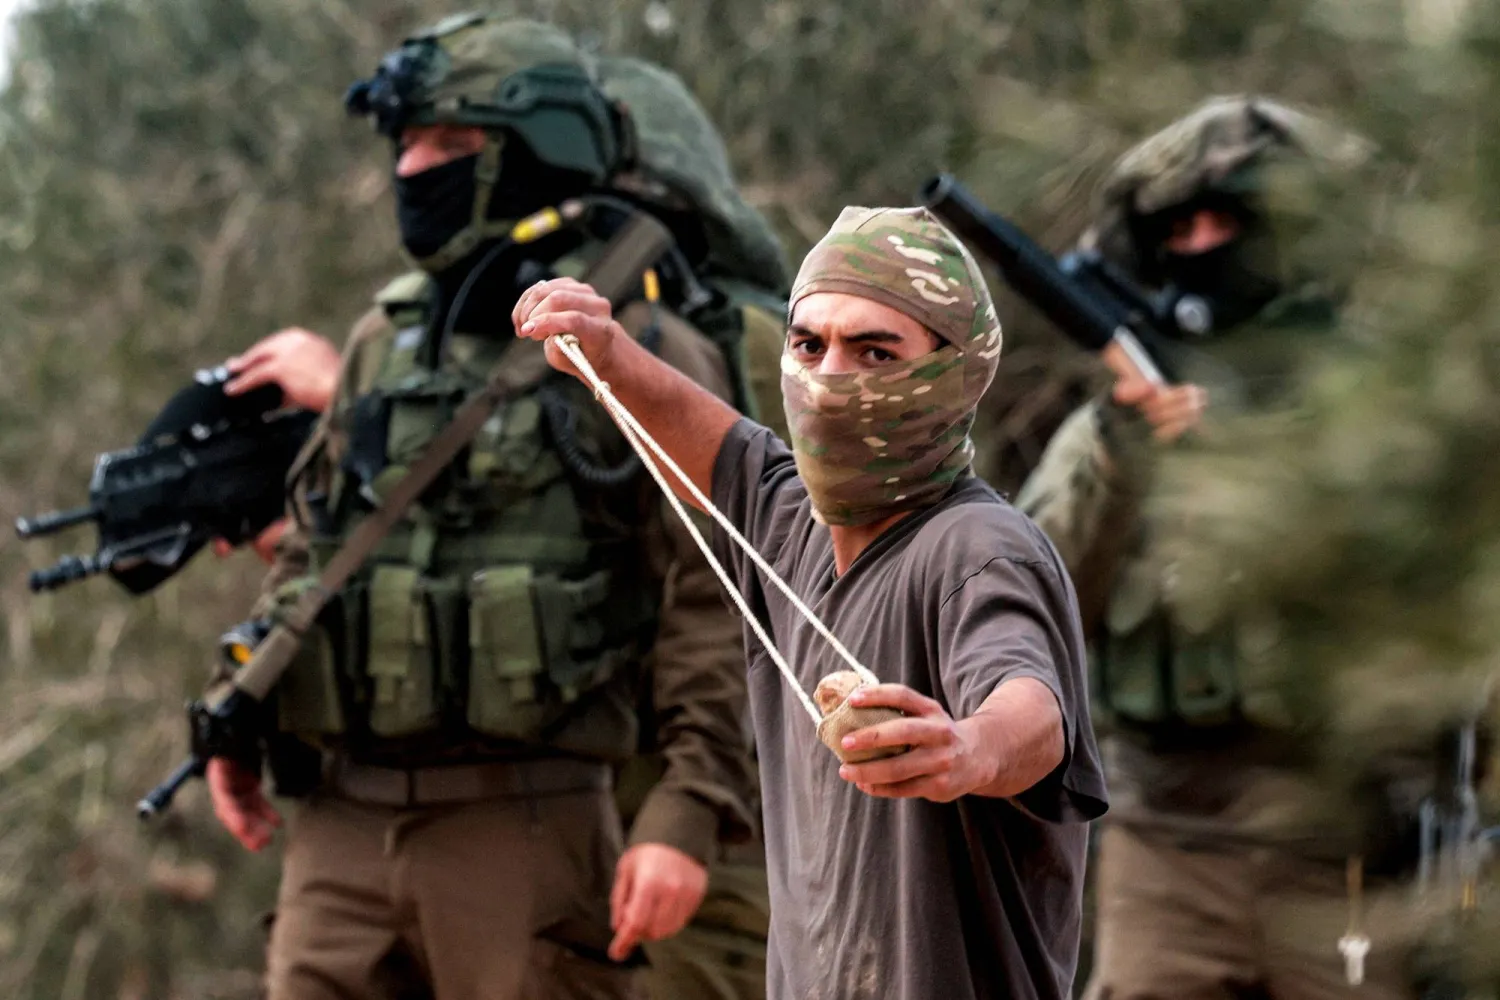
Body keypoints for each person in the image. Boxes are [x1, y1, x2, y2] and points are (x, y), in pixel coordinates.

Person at [203, 14, 791, 1000]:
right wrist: (243, 705)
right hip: (341, 828)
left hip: (526, 822)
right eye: (404, 144)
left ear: (536, 150)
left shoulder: (638, 350)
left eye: (448, 143)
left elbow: (713, 597)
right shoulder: (381, 345)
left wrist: (688, 806)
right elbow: (313, 550)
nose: (410, 170)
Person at [512, 205, 1109, 1000]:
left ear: (953, 372)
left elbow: (1031, 709)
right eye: (808, 344)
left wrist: (967, 751)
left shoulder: (978, 547)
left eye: (874, 352)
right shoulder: (788, 522)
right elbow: (716, 440)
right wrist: (608, 351)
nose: (829, 380)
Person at [1013, 96, 1434, 1000]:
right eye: (1182, 225)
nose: (1203, 243)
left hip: (1347, 849)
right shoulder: (1113, 431)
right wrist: (1125, 453)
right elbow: (1031, 601)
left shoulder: (1389, 408)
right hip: (1163, 845)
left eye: (1231, 221)